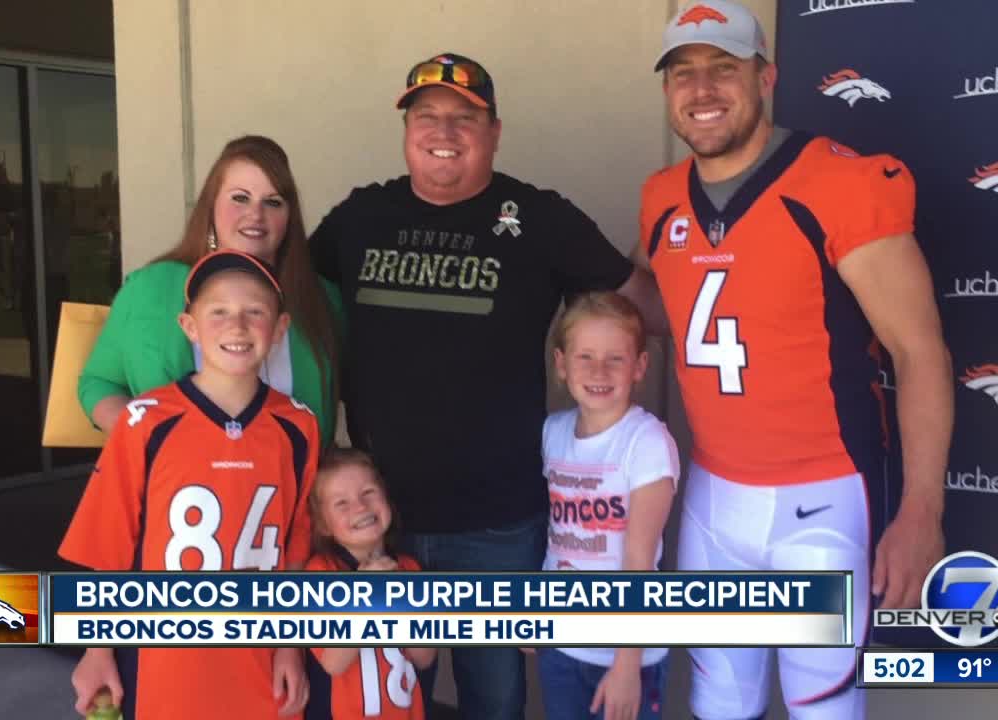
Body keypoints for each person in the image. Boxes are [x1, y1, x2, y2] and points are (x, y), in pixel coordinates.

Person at [309, 52, 662, 720]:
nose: (444, 129)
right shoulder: (360, 217)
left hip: (496, 524)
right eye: (426, 116)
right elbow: (279, 297)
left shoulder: (538, 218)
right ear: (407, 130)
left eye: (464, 117)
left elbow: (639, 305)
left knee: (493, 700)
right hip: (380, 520)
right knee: (383, 692)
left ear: (494, 131)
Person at [638, 2, 953, 719]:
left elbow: (920, 350)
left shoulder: (838, 184)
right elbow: (682, 310)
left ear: (767, 77)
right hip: (712, 500)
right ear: (667, 92)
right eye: (684, 73)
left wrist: (920, 511)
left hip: (824, 501)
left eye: (725, 67)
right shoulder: (661, 198)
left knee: (822, 705)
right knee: (718, 700)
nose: (703, 88)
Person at [60, 250, 318, 719]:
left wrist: (291, 647)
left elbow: (294, 548)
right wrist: (97, 651)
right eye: (218, 312)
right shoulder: (145, 422)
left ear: (279, 329)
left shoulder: (297, 427)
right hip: (165, 658)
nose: (236, 326)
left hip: (258, 656)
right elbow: (108, 547)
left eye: (254, 312)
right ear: (190, 327)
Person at [80, 135, 340, 447]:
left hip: (293, 491)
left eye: (273, 202)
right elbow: (99, 383)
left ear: (289, 217)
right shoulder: (151, 288)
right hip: (177, 489)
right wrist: (150, 439)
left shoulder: (322, 298)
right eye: (240, 198)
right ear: (211, 205)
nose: (255, 214)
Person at [537, 292, 678, 720]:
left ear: (639, 366)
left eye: (615, 359)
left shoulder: (646, 441)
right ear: (561, 364)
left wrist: (627, 662)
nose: (599, 371)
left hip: (622, 653)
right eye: (585, 357)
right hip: (562, 642)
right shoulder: (553, 432)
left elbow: (639, 561)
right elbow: (558, 537)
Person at [304, 448, 437, 720]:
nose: (361, 507)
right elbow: (333, 661)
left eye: (368, 493)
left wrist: (403, 599)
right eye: (341, 503)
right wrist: (368, 593)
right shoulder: (319, 574)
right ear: (323, 525)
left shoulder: (410, 569)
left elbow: (425, 657)